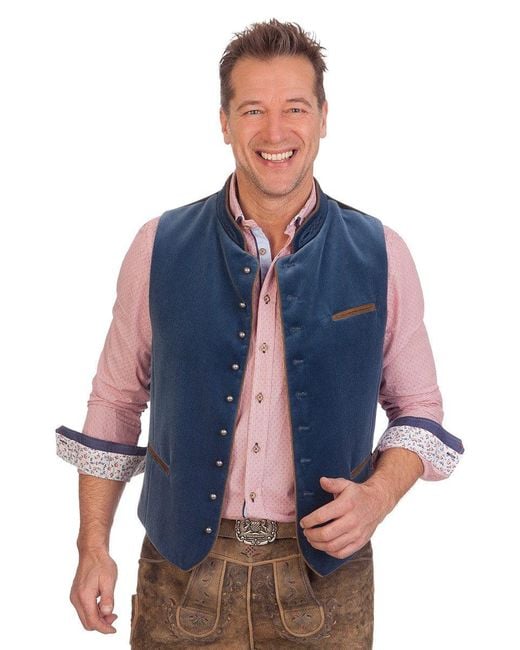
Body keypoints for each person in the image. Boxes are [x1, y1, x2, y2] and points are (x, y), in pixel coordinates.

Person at [55, 18, 465, 649]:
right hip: (180, 575)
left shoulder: (382, 253)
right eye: (253, 110)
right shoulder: (157, 246)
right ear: (224, 122)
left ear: (323, 117)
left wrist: (378, 496)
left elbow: (419, 409)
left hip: (326, 581)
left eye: (295, 108)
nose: (275, 133)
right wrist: (92, 546)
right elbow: (115, 401)